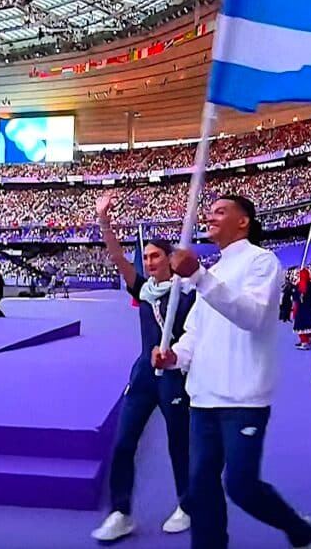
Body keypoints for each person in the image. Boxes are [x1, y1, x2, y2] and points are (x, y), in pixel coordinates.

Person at [152, 195, 311, 549]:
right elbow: (195, 333)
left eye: (220, 211)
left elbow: (254, 317)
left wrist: (198, 276)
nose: (210, 216)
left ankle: (299, 529)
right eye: (209, 211)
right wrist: (175, 357)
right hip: (203, 396)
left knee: (241, 486)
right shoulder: (214, 270)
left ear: (243, 221)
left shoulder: (262, 263)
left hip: (244, 395)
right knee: (200, 487)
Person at [91, 191, 193, 542]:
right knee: (123, 442)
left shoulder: (188, 293)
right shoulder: (143, 288)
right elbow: (118, 257)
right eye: (146, 257)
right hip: (144, 375)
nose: (149, 262)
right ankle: (121, 512)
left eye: (155, 256)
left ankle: (187, 503)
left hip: (175, 377)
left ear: (169, 259)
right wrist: (105, 221)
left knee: (179, 443)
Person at [293, 268, 311, 350]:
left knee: (301, 326)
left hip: (301, 309)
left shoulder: (300, 285)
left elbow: (295, 298)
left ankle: (305, 342)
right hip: (309, 308)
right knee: (309, 325)